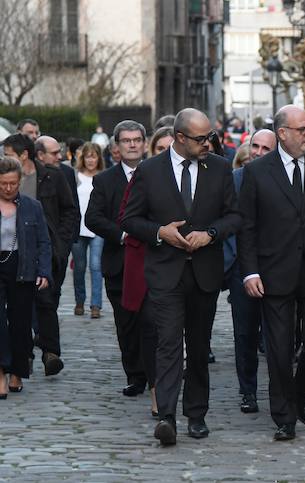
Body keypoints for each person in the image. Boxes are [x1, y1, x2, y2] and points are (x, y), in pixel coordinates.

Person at [121, 108, 241, 446]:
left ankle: (197, 413)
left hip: (204, 272)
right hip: (165, 272)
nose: (208, 143)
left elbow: (235, 216)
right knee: (169, 343)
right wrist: (160, 232)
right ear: (180, 138)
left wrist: (212, 234)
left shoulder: (218, 167)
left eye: (210, 137)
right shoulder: (149, 171)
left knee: (200, 346)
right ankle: (168, 416)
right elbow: (130, 220)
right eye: (201, 139)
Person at [237, 105, 305, 441]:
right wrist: (250, 272)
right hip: (274, 272)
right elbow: (247, 227)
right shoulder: (258, 172)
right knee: (279, 348)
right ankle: (284, 415)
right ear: (282, 133)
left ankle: (303, 395)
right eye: (302, 129)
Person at [85, 120, 158, 413]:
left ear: (144, 143)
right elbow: (92, 217)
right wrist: (122, 233)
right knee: (126, 323)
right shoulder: (105, 181)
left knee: (150, 321)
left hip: (151, 261)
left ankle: (154, 375)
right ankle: (135, 374)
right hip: (119, 261)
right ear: (116, 146)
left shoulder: (157, 175)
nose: (131, 144)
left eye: (137, 139)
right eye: (126, 140)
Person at [1, 133, 78, 377]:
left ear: (23, 154)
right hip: (12, 252)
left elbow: (69, 211)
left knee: (45, 302)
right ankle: (21, 357)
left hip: (45, 248)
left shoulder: (52, 176)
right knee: (18, 309)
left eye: (8, 153)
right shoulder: (4, 177)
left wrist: (62, 245)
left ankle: (50, 352)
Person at [222, 128, 275, 415]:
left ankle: (280, 392)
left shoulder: (285, 179)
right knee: (245, 334)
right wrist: (233, 265)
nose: (258, 153)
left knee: (278, 335)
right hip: (242, 269)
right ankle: (248, 391)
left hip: (277, 269)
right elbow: (228, 222)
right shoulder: (235, 180)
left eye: (266, 148)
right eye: (255, 146)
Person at [0, 156, 52, 397]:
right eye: (3, 184)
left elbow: (44, 241)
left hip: (23, 266)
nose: (8, 188)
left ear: (20, 181)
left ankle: (17, 371)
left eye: (13, 183)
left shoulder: (32, 206)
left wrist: (44, 271)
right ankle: (1, 372)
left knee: (21, 322)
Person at [72, 142, 106, 318]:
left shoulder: (103, 176)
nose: (91, 160)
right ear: (82, 158)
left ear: (99, 158)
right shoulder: (76, 176)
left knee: (96, 265)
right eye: (88, 156)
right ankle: (79, 300)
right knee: (79, 266)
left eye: (94, 156)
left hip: (98, 228)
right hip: (78, 229)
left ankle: (96, 305)